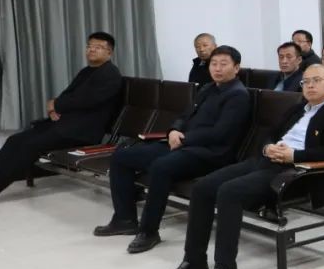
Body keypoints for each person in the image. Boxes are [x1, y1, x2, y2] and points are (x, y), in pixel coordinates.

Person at [160, 64, 324, 269]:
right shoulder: (297, 109)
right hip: (267, 161)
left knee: (229, 192)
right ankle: (194, 260)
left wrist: (294, 155)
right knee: (203, 187)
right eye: (306, 81)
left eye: (317, 80)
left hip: (295, 172)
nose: (310, 86)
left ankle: (225, 268)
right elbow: (270, 134)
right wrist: (268, 147)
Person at [95, 45, 252, 253]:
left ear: (236, 68)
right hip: (183, 145)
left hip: (211, 153)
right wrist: (174, 130)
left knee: (161, 167)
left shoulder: (238, 95)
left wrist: (184, 138)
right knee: (122, 156)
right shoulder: (207, 89)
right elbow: (185, 115)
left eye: (224, 64)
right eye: (214, 64)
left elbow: (221, 133)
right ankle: (124, 219)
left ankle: (149, 231)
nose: (217, 68)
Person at [0, 32, 123, 197]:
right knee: (14, 140)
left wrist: (55, 104)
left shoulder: (110, 75)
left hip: (82, 132)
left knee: (29, 145)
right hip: (65, 125)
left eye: (98, 47)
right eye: (89, 46)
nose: (91, 50)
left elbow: (87, 101)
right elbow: (67, 96)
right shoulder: (87, 71)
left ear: (109, 52)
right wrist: (54, 108)